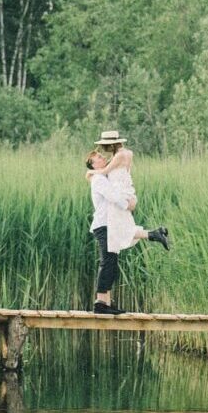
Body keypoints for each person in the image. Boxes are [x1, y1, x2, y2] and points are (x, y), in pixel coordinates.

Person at [87, 129, 170, 312]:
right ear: (93, 166)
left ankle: (106, 303)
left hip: (109, 223)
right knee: (107, 263)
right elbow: (113, 196)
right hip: (103, 225)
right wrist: (128, 204)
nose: (102, 157)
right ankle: (100, 303)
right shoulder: (99, 179)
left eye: (101, 154)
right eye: (97, 159)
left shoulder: (104, 174)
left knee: (112, 263)